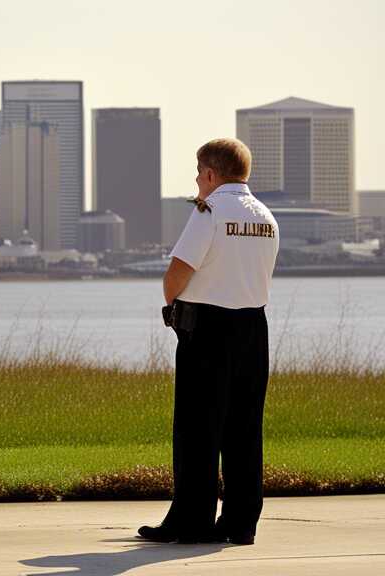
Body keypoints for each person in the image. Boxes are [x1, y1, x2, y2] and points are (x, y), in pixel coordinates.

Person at [138, 138, 279, 545]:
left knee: (198, 429)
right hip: (254, 328)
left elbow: (177, 274)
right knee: (245, 429)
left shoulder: (210, 211)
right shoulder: (266, 216)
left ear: (213, 175)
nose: (198, 182)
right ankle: (239, 522)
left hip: (209, 329)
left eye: (200, 174)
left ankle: (191, 520)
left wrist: (173, 304)